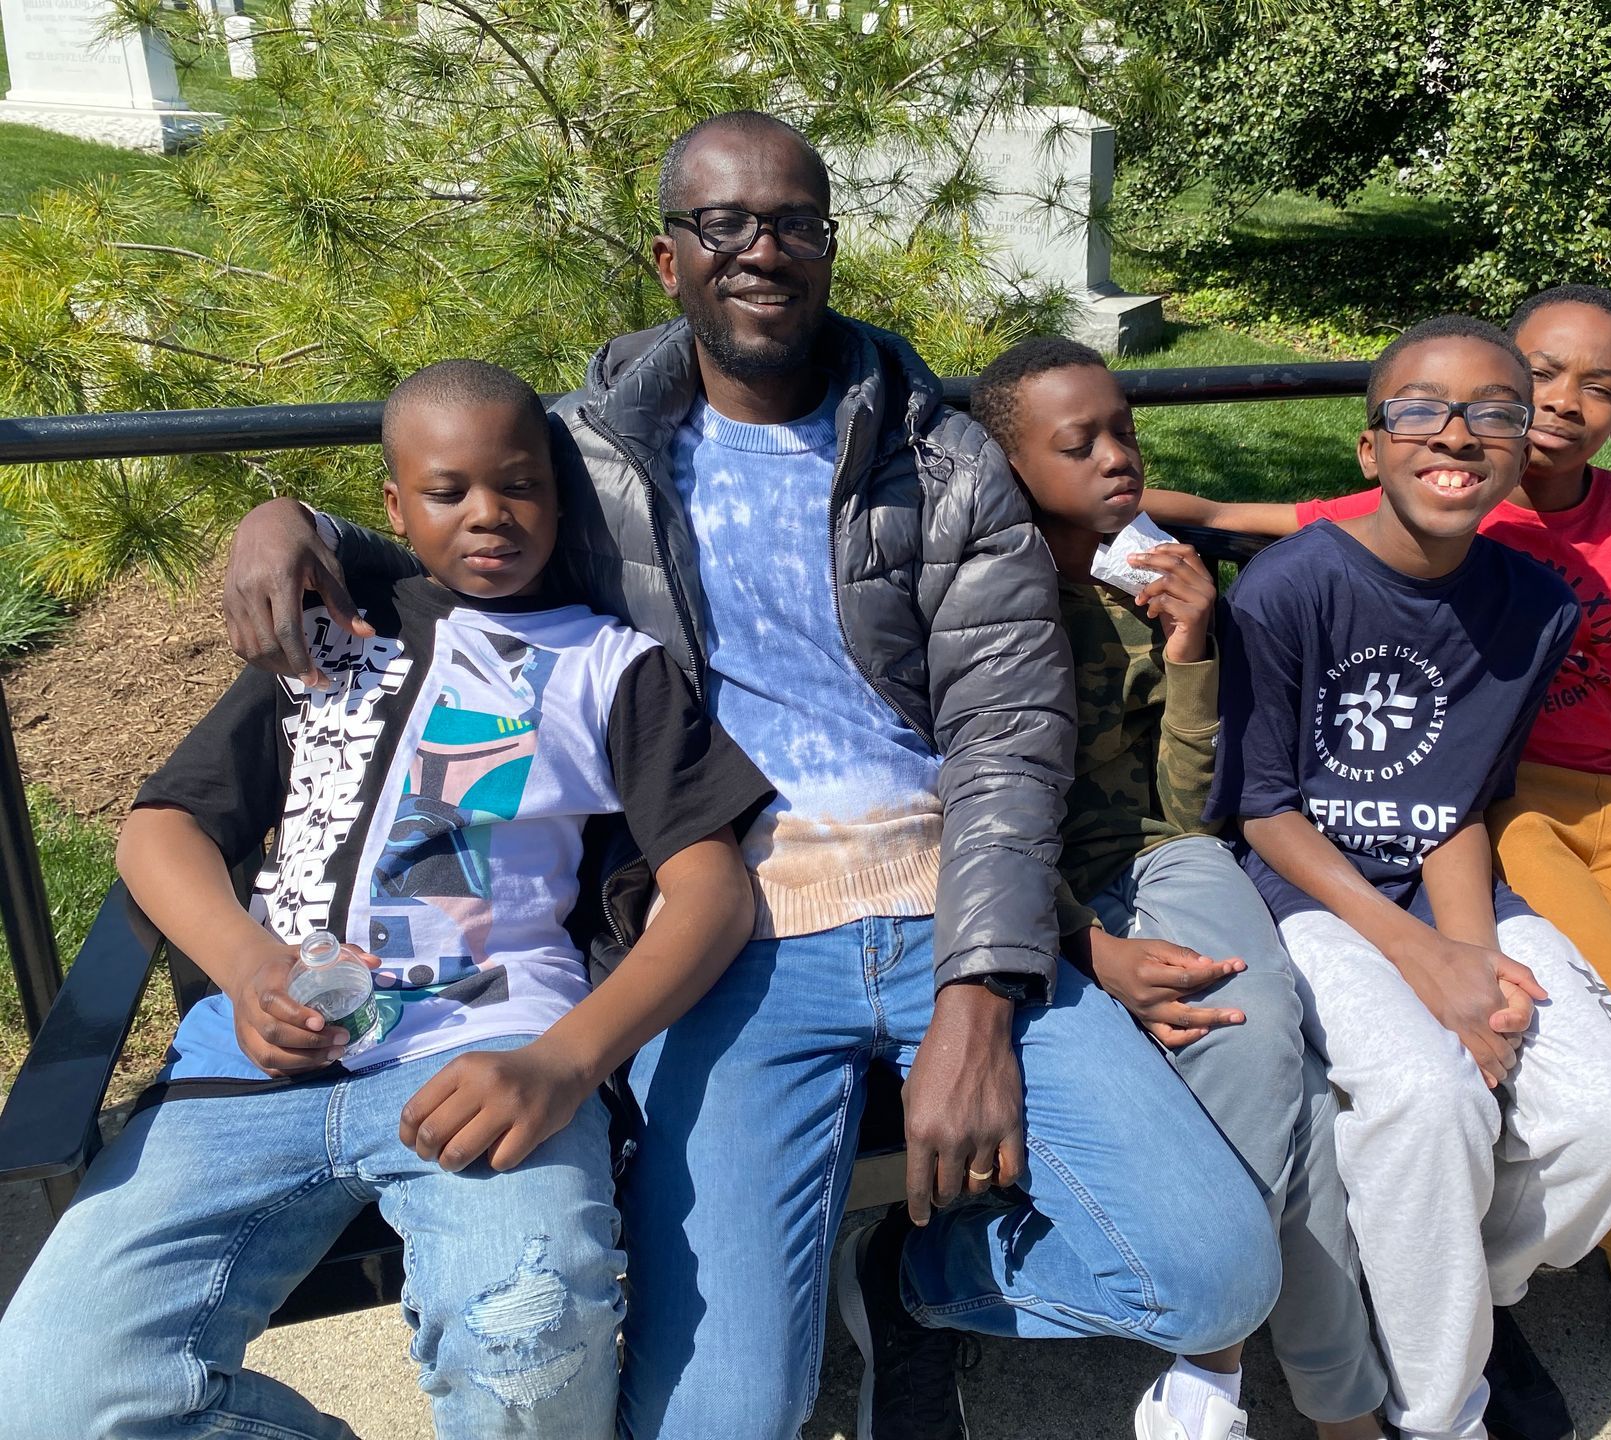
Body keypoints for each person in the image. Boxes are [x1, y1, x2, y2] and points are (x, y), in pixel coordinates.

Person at [216, 112, 1283, 1440]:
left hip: (949, 908)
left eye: (791, 223)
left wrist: (979, 997)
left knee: (1218, 1275)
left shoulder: (943, 463)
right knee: (730, 1417)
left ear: (828, 249)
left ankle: (927, 1282)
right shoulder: (587, 459)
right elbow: (455, 529)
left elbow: (1010, 738)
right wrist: (290, 520)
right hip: (723, 939)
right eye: (723, 224)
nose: (760, 250)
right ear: (670, 260)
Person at [1152, 286, 1611, 1440]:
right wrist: (1101, 491)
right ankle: (1576, 1327)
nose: (1550, 406)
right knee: (1553, 1064)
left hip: (1584, 816)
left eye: (1589, 388)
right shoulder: (1383, 523)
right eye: (1537, 376)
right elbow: (1257, 567)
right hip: (1447, 841)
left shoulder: (1593, 558)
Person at [0, 360, 775, 1437]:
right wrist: (247, 967)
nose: (489, 514)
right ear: (395, 507)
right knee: (47, 1399)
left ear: (559, 499)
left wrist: (566, 1063)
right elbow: (162, 827)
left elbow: (713, 892)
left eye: (521, 486)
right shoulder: (326, 640)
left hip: (489, 1058)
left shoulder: (610, 666)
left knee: (526, 1347)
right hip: (245, 1074)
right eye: (448, 491)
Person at [1206, 313, 1611, 1440]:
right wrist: (1424, 963)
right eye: (1421, 409)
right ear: (1371, 446)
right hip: (1309, 896)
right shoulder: (1287, 588)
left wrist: (1471, 963)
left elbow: (1459, 799)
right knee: (1428, 1097)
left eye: (1494, 415)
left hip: (1455, 886)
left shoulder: (1535, 605)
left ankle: (1440, 1282)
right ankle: (1437, 1411)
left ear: (1519, 452)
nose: (1456, 434)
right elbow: (1265, 813)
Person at [970, 336, 1391, 1440]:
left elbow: (1187, 807)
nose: (1118, 458)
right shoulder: (979, 600)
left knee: (1248, 1012)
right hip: (1025, 890)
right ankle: (1333, 1404)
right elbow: (970, 816)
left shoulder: (1147, 581)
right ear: (1011, 466)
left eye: (1124, 432)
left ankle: (1215, 1364)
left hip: (1157, 856)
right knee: (1292, 1088)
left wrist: (1194, 644)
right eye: (1080, 445)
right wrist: (1088, 949)